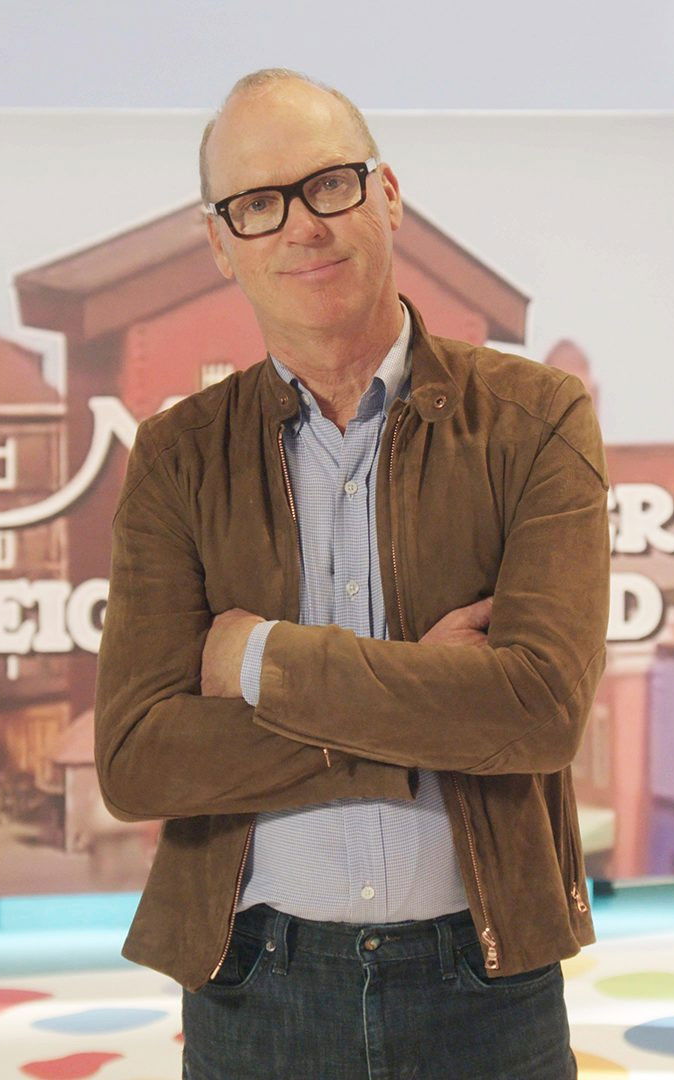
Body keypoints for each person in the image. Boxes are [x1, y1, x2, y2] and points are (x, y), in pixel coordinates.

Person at [94, 68, 609, 1080]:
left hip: (487, 988)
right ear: (221, 244)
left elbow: (540, 710)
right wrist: (415, 716)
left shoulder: (537, 419)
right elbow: (138, 759)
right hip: (255, 987)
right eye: (257, 204)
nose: (303, 226)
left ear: (388, 194)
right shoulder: (178, 455)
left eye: (330, 184)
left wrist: (260, 659)